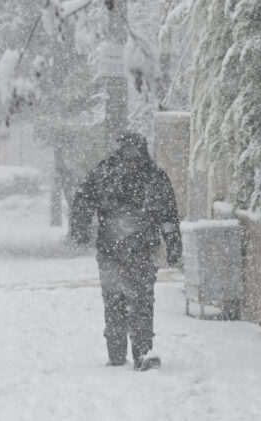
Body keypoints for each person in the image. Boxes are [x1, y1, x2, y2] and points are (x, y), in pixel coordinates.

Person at [71, 131, 182, 371]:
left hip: (132, 251)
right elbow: (84, 199)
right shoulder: (122, 173)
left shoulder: (143, 175)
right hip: (123, 250)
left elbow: (168, 214)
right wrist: (80, 226)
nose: (131, 158)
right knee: (124, 301)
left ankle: (132, 353)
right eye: (128, 153)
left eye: (134, 153)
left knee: (130, 301)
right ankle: (126, 353)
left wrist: (173, 242)